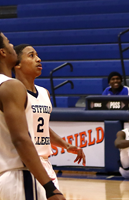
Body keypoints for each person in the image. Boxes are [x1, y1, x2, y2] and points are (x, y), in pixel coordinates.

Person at [0, 29, 65, 200]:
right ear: (2, 52)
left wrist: (6, 169)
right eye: (8, 42)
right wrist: (50, 188)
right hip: (24, 177)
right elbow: (21, 139)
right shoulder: (12, 86)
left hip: (1, 182)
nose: (12, 45)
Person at [14, 44, 86, 187]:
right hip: (25, 164)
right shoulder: (13, 93)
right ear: (17, 65)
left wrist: (66, 145)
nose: (39, 59)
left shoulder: (44, 92)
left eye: (37, 55)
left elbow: (42, 127)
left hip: (45, 163)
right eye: (31, 55)